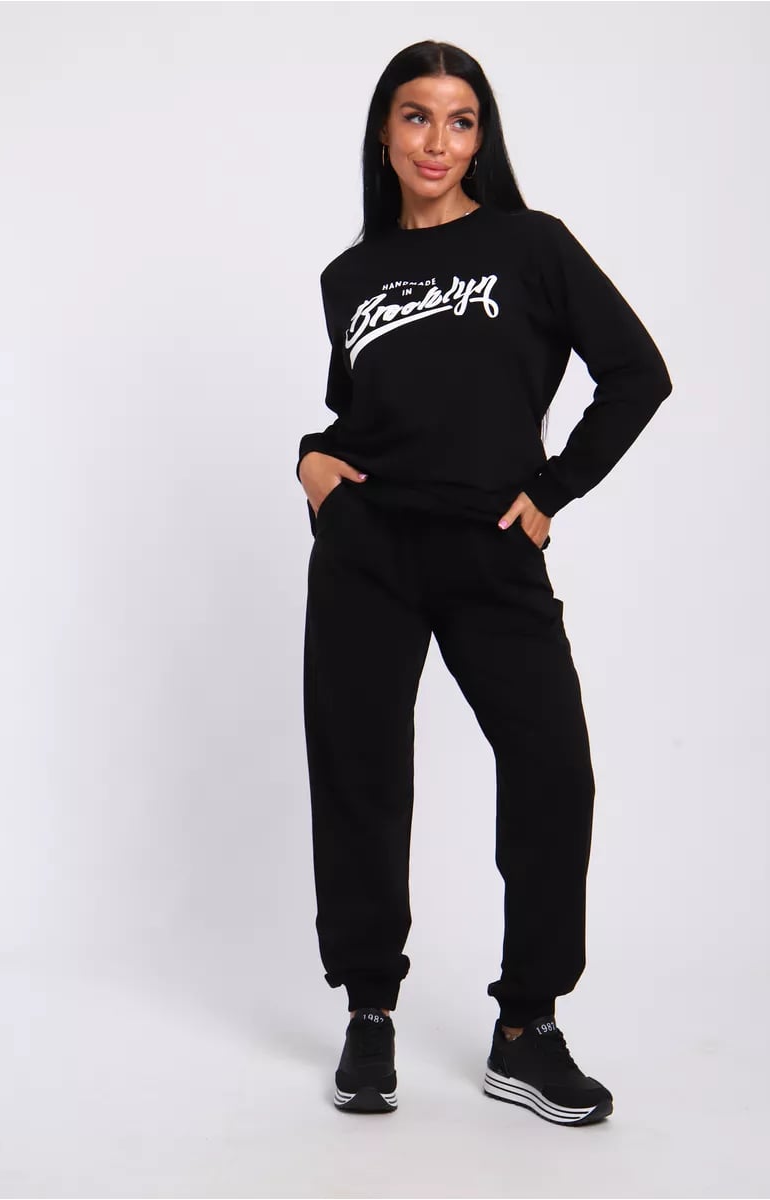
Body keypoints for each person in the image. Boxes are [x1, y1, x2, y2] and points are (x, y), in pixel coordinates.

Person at [297, 39, 672, 1126]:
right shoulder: (350, 277)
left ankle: (527, 1029)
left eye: (460, 121)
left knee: (554, 773)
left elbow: (637, 374)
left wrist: (552, 490)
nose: (438, 141)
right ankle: (370, 1013)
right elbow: (367, 415)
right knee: (362, 776)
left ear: (481, 139)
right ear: (384, 132)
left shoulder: (529, 245)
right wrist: (313, 461)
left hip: (489, 551)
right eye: (417, 116)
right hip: (368, 551)